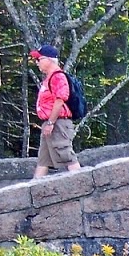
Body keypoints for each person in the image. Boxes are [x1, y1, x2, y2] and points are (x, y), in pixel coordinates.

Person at [30, 44, 80, 178]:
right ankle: (34, 191)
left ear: (49, 60)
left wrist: (51, 123)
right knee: (43, 160)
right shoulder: (49, 78)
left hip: (58, 124)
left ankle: (84, 182)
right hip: (50, 124)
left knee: (66, 155)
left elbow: (60, 100)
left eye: (39, 59)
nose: (37, 63)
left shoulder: (58, 76)